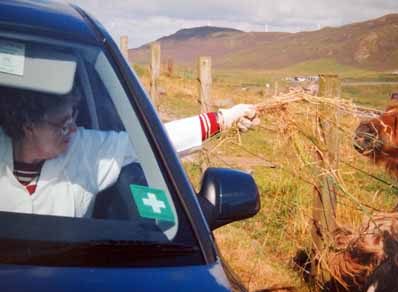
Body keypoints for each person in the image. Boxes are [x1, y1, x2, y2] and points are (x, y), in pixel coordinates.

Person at [0, 87, 258, 217]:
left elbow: (156, 141)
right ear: (28, 125)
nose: (74, 130)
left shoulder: (89, 149)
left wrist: (225, 119)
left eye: (73, 118)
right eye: (62, 125)